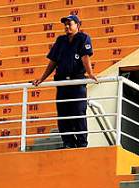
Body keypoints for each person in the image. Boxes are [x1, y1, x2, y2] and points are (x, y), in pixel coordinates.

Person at [32, 14, 98, 148]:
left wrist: (90, 73)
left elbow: (85, 57)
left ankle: (81, 143)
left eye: (70, 24)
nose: (67, 26)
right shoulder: (61, 40)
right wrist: (42, 78)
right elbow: (53, 61)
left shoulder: (83, 38)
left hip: (76, 82)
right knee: (63, 114)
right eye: (65, 24)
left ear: (77, 25)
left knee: (78, 112)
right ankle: (68, 142)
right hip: (62, 83)